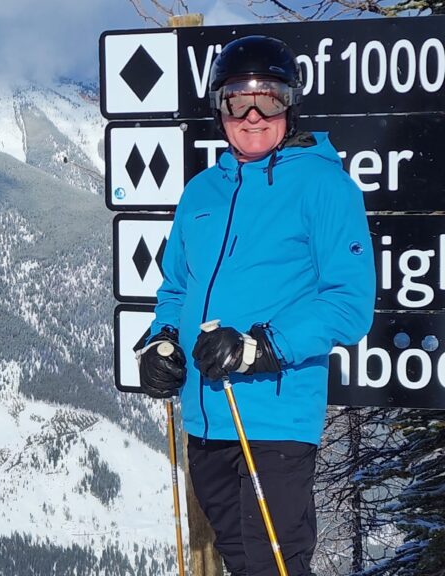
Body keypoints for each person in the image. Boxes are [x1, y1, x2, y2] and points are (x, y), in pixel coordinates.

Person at [135, 35, 374, 576]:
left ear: (291, 104)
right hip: (205, 417)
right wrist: (162, 340)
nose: (252, 116)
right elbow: (176, 288)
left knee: (273, 565)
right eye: (236, 101)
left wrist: (260, 346)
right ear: (218, 108)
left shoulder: (324, 186)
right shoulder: (201, 192)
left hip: (277, 416)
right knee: (237, 560)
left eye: (269, 98)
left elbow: (349, 302)